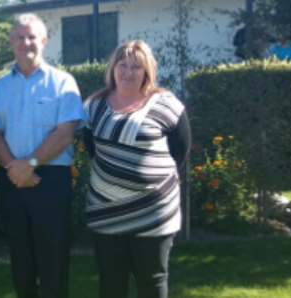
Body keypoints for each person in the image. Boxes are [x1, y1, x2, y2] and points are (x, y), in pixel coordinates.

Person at [0, 13, 87, 298]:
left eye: (31, 37)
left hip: (51, 181)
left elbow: (66, 132)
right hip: (11, 180)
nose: (25, 42)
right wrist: (13, 168)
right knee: (21, 259)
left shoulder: (63, 82)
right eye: (19, 36)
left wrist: (29, 165)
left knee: (54, 258)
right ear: (10, 41)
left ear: (43, 41)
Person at [82, 40, 191, 298]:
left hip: (153, 211)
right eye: (123, 65)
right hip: (106, 208)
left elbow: (180, 151)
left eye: (136, 67)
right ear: (113, 68)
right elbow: (91, 147)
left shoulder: (167, 104)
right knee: (111, 280)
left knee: (152, 279)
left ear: (147, 72)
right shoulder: (94, 105)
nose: (128, 72)